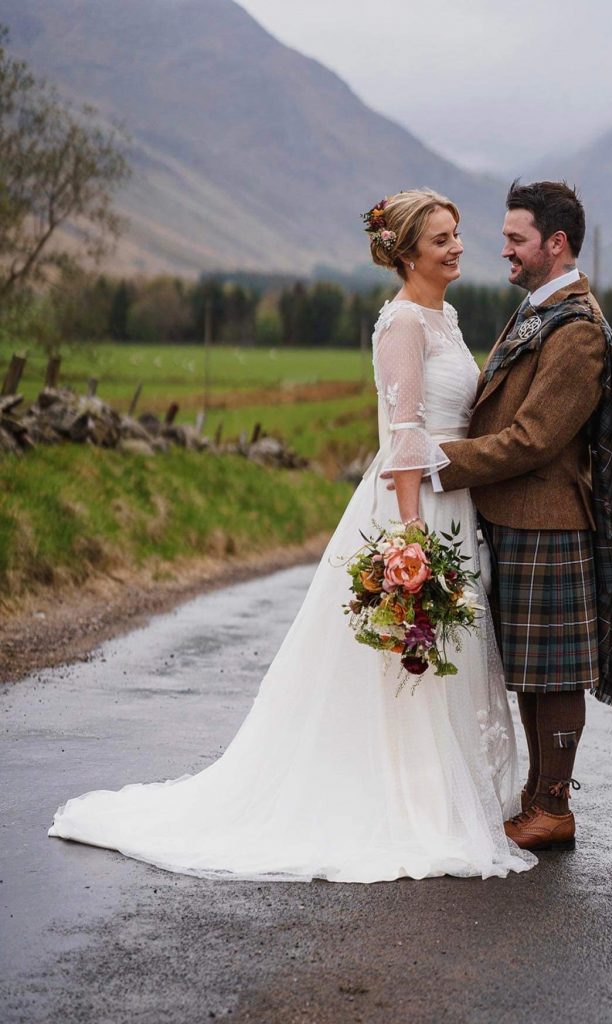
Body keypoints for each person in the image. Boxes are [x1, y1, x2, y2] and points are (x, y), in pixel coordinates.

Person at [48, 188, 535, 883]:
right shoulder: (402, 324)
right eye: (440, 240)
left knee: (443, 656)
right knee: (411, 654)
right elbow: (402, 442)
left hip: (453, 500)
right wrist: (412, 545)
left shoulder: (445, 316)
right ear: (404, 254)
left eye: (457, 234)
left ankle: (455, 795)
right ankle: (412, 801)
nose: (457, 246)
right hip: (414, 508)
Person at [429, 181, 612, 853]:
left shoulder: (577, 328)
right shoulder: (542, 310)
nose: (501, 249)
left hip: (550, 519)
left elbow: (535, 436)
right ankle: (537, 796)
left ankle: (554, 805)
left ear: (555, 244)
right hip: (519, 516)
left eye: (515, 238)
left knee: (554, 670)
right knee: (529, 667)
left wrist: (446, 462)